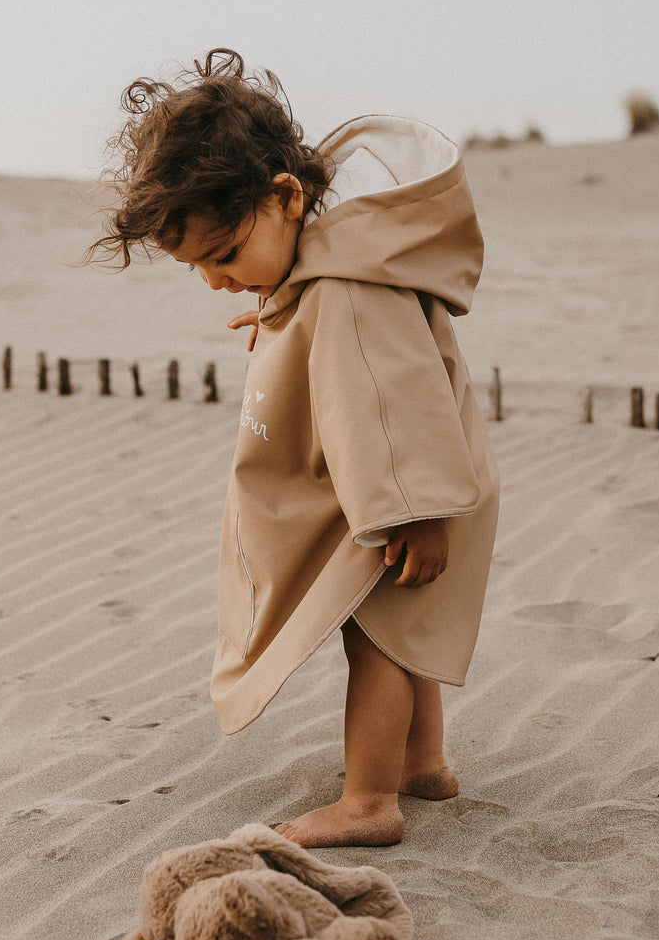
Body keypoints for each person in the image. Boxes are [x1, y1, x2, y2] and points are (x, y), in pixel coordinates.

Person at [87, 50, 499, 848]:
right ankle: (424, 763)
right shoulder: (333, 263)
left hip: (405, 495)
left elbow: (394, 397)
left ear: (284, 197)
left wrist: (415, 514)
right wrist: (283, 313)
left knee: (374, 633)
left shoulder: (348, 290)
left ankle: (369, 801)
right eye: (199, 268)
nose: (215, 282)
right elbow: (326, 319)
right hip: (402, 487)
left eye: (224, 256)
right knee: (403, 625)